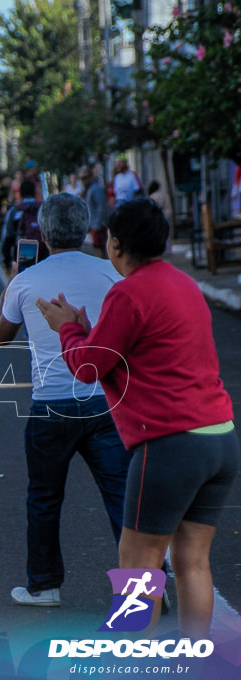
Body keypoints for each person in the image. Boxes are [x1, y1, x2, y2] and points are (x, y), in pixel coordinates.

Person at [38, 199, 238, 639]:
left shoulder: (129, 292)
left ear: (115, 244)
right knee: (192, 561)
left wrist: (66, 328)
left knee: (136, 563)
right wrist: (88, 333)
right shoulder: (183, 284)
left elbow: (88, 367)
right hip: (219, 437)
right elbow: (143, 353)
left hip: (171, 445)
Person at [0, 194, 129, 608]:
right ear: (89, 231)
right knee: (122, 495)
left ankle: (44, 585)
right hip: (105, 399)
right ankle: (145, 589)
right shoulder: (110, 273)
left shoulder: (27, 279)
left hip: (50, 403)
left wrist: (12, 281)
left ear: (45, 234)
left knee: (44, 498)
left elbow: (0, 335)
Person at [1, 180, 44, 276]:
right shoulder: (43, 208)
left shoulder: (15, 210)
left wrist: (6, 262)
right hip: (44, 249)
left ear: (20, 193)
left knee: (25, 282)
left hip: (24, 250)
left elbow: (8, 237)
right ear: (34, 192)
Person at [82, 166, 109, 259]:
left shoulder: (96, 189)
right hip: (94, 224)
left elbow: (101, 207)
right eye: (81, 178)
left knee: (99, 248)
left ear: (90, 177)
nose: (83, 181)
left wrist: (99, 223)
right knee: (97, 247)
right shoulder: (89, 189)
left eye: (85, 178)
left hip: (98, 225)